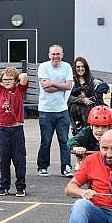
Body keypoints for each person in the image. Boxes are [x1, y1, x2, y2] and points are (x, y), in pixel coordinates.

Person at [0, 67, 29, 197]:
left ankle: (20, 186)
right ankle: (4, 186)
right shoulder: (0, 90)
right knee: (4, 160)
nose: (7, 81)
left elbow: (24, 76)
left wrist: (14, 77)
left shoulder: (19, 90)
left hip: (16, 130)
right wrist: (2, 77)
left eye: (10, 79)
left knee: (19, 160)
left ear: (15, 80)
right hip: (3, 130)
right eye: (5, 80)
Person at [36, 44, 74, 177]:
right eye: (53, 54)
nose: (56, 56)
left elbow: (69, 85)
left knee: (64, 141)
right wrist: (62, 86)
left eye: (58, 54)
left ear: (62, 55)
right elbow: (46, 88)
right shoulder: (43, 67)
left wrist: (52, 83)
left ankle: (66, 167)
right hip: (46, 110)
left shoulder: (67, 67)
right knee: (46, 141)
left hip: (62, 110)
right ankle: (42, 166)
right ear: (49, 55)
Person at [67, 56, 108, 135]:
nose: (80, 69)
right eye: (78, 67)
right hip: (75, 111)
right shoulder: (71, 81)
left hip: (91, 110)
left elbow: (102, 87)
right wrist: (82, 100)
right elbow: (67, 97)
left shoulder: (91, 80)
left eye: (83, 66)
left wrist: (93, 97)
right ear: (75, 68)